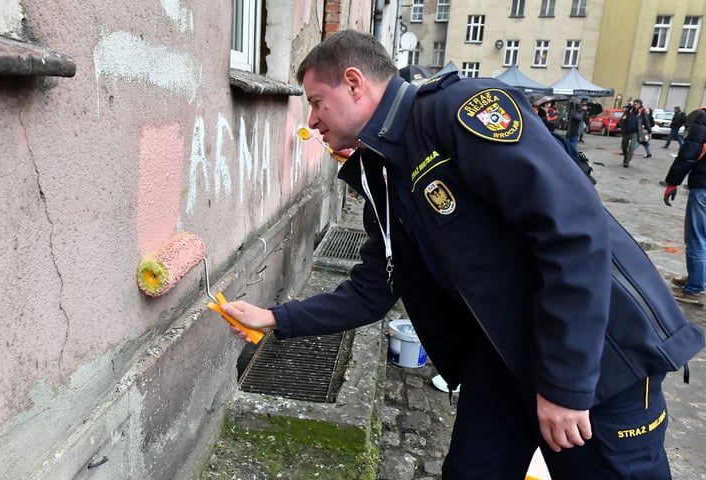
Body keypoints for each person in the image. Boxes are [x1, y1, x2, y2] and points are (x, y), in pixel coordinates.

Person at [220, 30, 704, 478]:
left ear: (353, 83)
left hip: (600, 361)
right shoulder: (384, 170)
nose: (311, 120)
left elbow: (574, 233)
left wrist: (566, 384)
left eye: (316, 102)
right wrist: (275, 318)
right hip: (502, 360)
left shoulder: (460, 110)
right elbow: (374, 287)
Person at [663, 107, 706, 302]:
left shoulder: (703, 117)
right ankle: (698, 278)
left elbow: (690, 151)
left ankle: (695, 288)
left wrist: (673, 182)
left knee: (697, 237)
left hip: (704, 186)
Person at [619, 99, 651, 167]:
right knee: (624, 146)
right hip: (627, 131)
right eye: (635, 104)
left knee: (631, 147)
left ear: (640, 105)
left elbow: (646, 122)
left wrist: (649, 132)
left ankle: (627, 162)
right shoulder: (629, 111)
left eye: (637, 104)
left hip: (635, 132)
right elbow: (622, 119)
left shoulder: (642, 112)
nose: (636, 105)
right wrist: (621, 125)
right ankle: (625, 157)